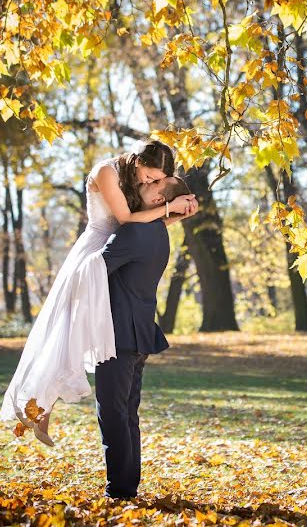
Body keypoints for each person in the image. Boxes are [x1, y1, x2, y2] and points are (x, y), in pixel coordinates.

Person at [0, 140, 197, 446]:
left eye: (158, 180)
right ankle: (39, 405)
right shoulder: (107, 172)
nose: (151, 183)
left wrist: (177, 213)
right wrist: (168, 208)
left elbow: (143, 227)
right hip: (96, 253)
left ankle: (41, 405)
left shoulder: (136, 179)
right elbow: (128, 220)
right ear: (137, 160)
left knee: (80, 335)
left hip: (119, 253)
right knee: (65, 332)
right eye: (150, 175)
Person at [96, 175, 193, 500]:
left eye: (156, 183)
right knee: (127, 411)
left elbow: (95, 271)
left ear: (157, 199)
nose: (148, 181)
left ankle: (120, 490)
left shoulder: (136, 230)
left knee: (112, 411)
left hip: (119, 335)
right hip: (138, 333)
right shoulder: (158, 232)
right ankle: (127, 486)